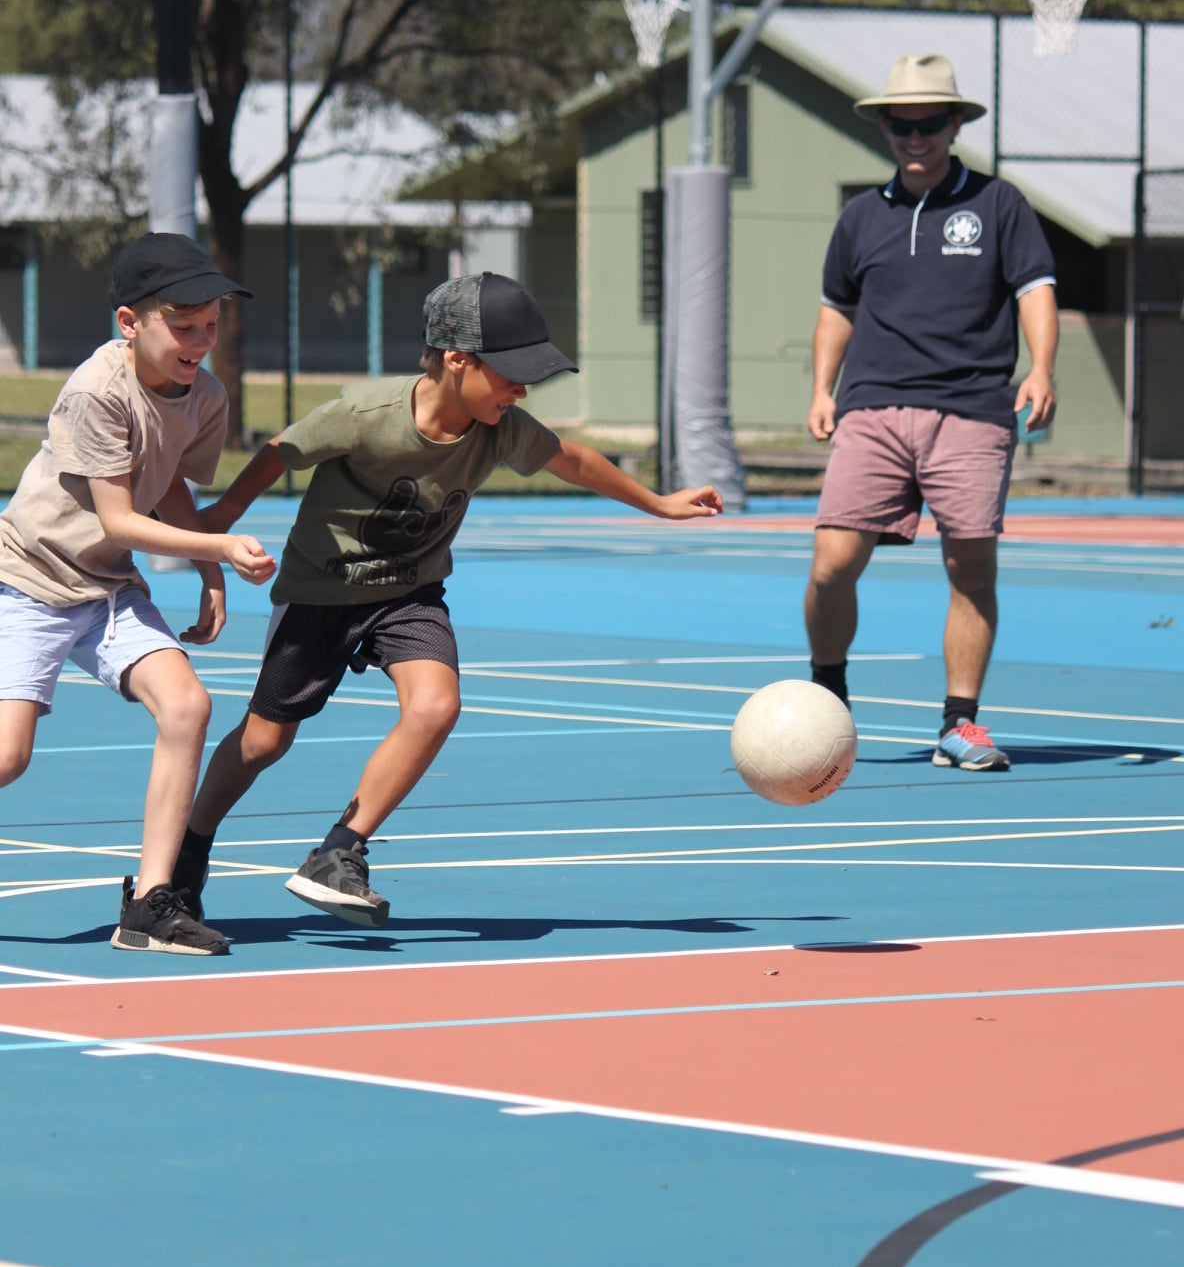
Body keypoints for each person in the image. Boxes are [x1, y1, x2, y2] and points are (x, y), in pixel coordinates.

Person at [185, 270, 723, 928]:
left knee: (437, 705)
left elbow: (574, 460)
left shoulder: (502, 429)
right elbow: (282, 450)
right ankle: (189, 844)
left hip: (410, 593)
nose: (522, 389)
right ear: (455, 359)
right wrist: (229, 509)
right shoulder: (367, 415)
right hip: (321, 592)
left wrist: (658, 503)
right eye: (511, 373)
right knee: (266, 742)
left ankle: (339, 851)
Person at [0, 232, 275, 954]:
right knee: (7, 758)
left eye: (211, 325)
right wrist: (219, 548)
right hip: (29, 579)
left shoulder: (204, 396)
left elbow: (172, 489)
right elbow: (121, 515)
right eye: (184, 328)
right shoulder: (97, 391)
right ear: (131, 323)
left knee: (187, 705)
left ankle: (151, 903)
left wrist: (212, 575)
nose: (201, 341)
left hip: (108, 586)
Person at [803, 54, 1058, 771]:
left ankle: (960, 724)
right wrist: (823, 389)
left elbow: (1035, 289)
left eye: (930, 123)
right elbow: (836, 310)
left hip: (972, 411)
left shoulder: (999, 205)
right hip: (873, 410)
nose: (915, 136)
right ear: (884, 126)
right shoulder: (859, 216)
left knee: (969, 569)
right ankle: (829, 701)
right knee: (831, 565)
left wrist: (1041, 367)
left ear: (954, 125)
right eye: (901, 123)